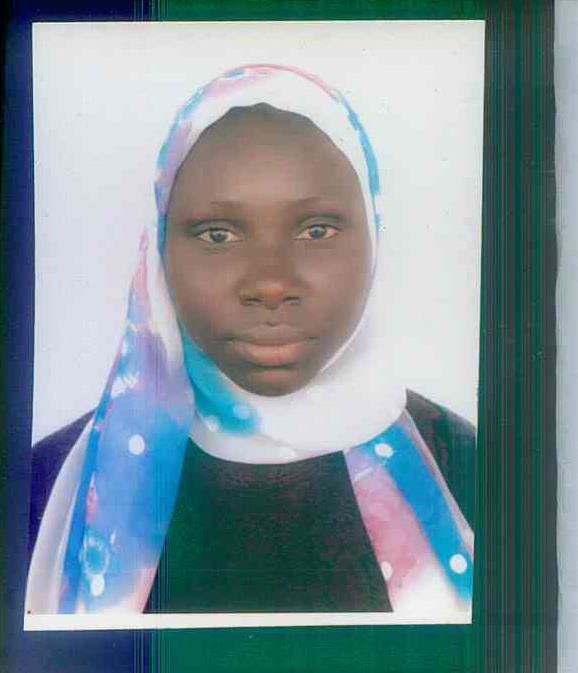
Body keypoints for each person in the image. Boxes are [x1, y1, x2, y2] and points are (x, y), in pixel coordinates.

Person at [26, 64, 475, 620]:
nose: (271, 284)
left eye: (316, 230)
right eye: (218, 234)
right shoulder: (38, 488)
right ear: (159, 252)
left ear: (375, 240)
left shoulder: (475, 471)